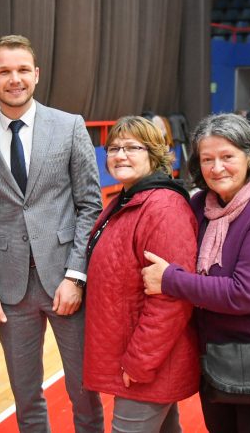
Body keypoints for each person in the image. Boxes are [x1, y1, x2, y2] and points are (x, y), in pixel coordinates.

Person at [0, 35, 104, 432]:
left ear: (36, 74)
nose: (15, 79)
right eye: (4, 71)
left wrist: (76, 276)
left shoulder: (70, 126)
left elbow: (90, 206)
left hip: (66, 282)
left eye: (23, 69)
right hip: (10, 290)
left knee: (83, 390)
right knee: (25, 396)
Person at [142, 113, 250, 433]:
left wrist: (170, 280)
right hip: (215, 358)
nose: (217, 168)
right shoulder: (200, 205)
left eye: (227, 157)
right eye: (207, 159)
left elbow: (244, 294)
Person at [83, 116, 199, 433]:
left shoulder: (163, 208)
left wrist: (139, 362)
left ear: (154, 153)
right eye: (114, 148)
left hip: (148, 362)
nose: (121, 155)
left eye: (133, 147)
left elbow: (172, 300)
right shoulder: (129, 198)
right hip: (141, 356)